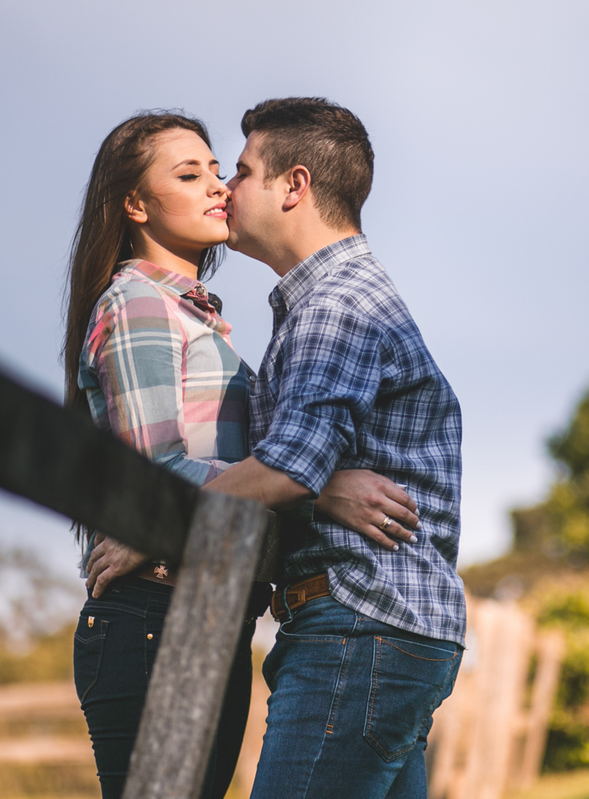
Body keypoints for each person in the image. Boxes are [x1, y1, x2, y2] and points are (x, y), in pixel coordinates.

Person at [62, 111, 420, 799]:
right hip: (154, 618)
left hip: (203, 613)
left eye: (217, 170)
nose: (217, 186)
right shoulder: (137, 305)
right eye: (188, 174)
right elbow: (153, 473)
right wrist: (319, 487)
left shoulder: (195, 317)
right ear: (135, 204)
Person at [205, 98, 466, 799]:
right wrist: (324, 482)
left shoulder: (336, 306)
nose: (224, 188)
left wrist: (151, 521)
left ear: (294, 185)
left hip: (358, 628)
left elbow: (289, 465)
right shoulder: (331, 301)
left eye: (241, 170)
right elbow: (306, 467)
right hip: (381, 629)